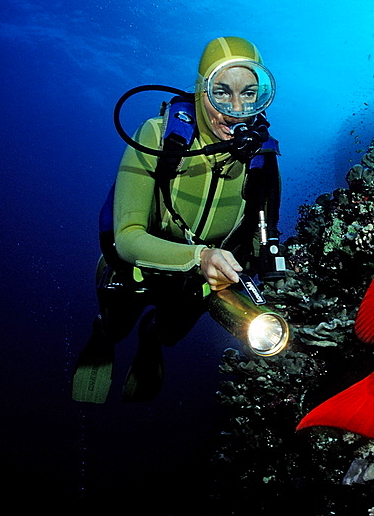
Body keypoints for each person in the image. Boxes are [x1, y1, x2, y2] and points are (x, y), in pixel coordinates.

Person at [72, 36, 283, 403]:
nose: (235, 110)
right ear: (201, 91)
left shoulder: (262, 160)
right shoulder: (156, 136)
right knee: (116, 324)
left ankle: (151, 342)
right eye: (221, 92)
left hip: (195, 287)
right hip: (134, 272)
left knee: (166, 334)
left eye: (250, 94)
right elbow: (127, 237)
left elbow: (263, 239)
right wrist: (200, 256)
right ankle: (103, 335)